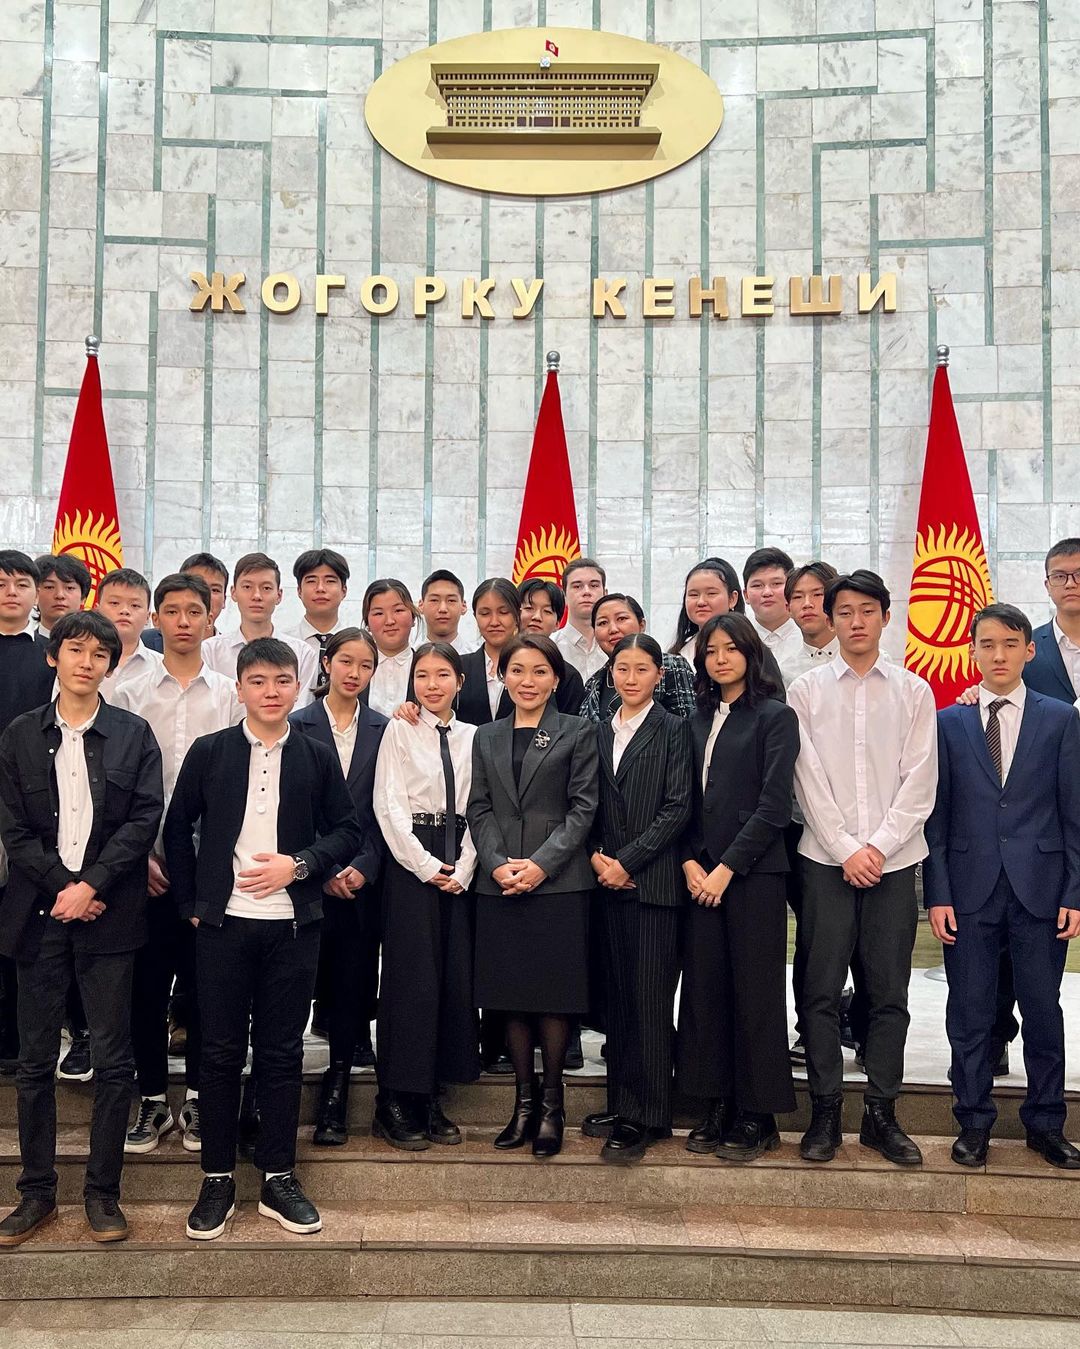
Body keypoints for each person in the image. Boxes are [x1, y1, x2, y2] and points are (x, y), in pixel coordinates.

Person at [163, 638, 360, 1241]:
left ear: (298, 687)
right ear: (240, 688)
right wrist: (193, 905)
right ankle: (217, 1178)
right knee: (219, 1053)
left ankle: (278, 1176)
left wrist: (298, 866)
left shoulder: (316, 754)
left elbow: (347, 830)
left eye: (281, 681)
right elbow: (177, 828)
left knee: (281, 1053)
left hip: (293, 927)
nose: (271, 692)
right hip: (223, 926)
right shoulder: (212, 750)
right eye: (258, 681)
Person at [0, 610, 163, 1246]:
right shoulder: (19, 735)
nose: (86, 662)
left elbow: (143, 819)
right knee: (36, 1061)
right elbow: (14, 828)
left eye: (99, 654)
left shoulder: (133, 734)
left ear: (111, 665)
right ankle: (36, 1192)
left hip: (110, 910)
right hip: (38, 915)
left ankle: (102, 1194)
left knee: (114, 1061)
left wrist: (91, 885)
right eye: (75, 650)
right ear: (54, 657)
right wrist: (63, 888)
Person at [788, 570, 937, 1167]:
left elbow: (920, 780)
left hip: (894, 864)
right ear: (830, 619)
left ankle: (881, 1113)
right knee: (819, 990)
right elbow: (806, 777)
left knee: (888, 992)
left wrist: (876, 847)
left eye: (867, 611)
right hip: (824, 861)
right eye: (844, 611)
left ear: (885, 617)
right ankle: (825, 1112)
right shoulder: (805, 690)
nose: (855, 621)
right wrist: (846, 847)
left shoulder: (913, 691)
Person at [926, 603, 1080, 1170]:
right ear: (972, 651)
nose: (999, 655)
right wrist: (937, 893)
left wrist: (1075, 892)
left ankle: (1046, 1123)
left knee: (1043, 1010)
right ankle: (973, 1122)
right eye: (987, 644)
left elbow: (1074, 813)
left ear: (1029, 651)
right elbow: (937, 818)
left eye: (1011, 644)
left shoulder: (1059, 718)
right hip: (969, 890)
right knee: (969, 1012)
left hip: (1041, 888)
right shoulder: (949, 722)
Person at [112, 573, 243, 1156]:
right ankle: (151, 1098)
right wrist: (136, 854)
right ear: (155, 619)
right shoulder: (129, 692)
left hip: (211, 865)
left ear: (211, 618)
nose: (184, 621)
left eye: (194, 610)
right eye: (172, 610)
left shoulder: (231, 694)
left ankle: (196, 1098)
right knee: (145, 987)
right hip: (142, 864)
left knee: (206, 988)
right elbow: (113, 784)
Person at [468, 634, 599, 1159]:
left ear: (556, 678)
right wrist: (497, 863)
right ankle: (522, 1105)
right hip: (499, 881)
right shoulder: (486, 735)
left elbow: (583, 809)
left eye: (540, 671)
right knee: (512, 996)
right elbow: (479, 807)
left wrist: (541, 865)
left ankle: (552, 1106)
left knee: (553, 996)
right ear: (503, 676)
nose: (528, 681)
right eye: (517, 670)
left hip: (559, 883)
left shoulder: (578, 731)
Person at [676, 614, 799, 1161]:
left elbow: (774, 806)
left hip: (752, 876)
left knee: (755, 993)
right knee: (705, 993)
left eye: (731, 648)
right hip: (699, 875)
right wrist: (689, 862)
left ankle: (757, 1113)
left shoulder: (775, 716)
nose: (720, 658)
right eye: (711, 651)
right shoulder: (695, 720)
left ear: (751, 654)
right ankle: (715, 1103)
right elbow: (682, 801)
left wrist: (726, 868)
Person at [582, 634, 692, 1163]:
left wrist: (627, 862)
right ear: (610, 675)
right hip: (606, 883)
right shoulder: (598, 731)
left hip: (653, 886)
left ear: (659, 675)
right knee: (619, 1002)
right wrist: (597, 858)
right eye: (621, 668)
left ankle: (648, 1115)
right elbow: (586, 803)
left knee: (649, 1003)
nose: (630, 677)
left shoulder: (674, 730)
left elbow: (677, 807)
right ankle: (621, 1102)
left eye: (641, 668)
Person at [371, 642, 479, 1150]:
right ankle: (395, 1100)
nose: (431, 684)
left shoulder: (475, 736)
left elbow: (481, 807)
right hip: (412, 860)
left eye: (442, 674)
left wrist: (466, 866)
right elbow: (388, 805)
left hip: (461, 858)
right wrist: (426, 865)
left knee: (451, 981)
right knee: (410, 982)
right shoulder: (400, 729)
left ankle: (432, 1094)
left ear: (460, 681)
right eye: (422, 675)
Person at [289, 627, 387, 1144]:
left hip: (362, 880)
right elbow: (290, 809)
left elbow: (387, 809)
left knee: (353, 985)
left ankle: (338, 1090)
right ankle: (272, 1090)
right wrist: (322, 868)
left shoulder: (385, 728)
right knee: (293, 986)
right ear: (326, 664)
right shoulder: (295, 723)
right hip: (307, 878)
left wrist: (365, 866)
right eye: (345, 661)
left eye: (365, 665)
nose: (354, 673)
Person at [0, 552, 56, 1071]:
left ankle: (18, 1041)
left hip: (32, 805)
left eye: (22, 583)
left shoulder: (51, 657)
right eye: (2, 584)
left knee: (20, 918)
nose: (12, 592)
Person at [457, 579, 585, 727]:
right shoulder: (458, 667)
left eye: (503, 612)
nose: (494, 622)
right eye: (485, 613)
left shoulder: (566, 675)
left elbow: (569, 730)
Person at [202, 553, 318, 709]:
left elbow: (300, 709)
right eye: (247, 587)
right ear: (234, 593)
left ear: (279, 595)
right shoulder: (210, 651)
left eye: (266, 588)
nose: (256, 596)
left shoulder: (302, 653)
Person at [668, 559, 785, 690]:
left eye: (711, 593)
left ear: (732, 598)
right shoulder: (676, 657)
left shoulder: (754, 649)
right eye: (693, 594)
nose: (701, 602)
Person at [580, 594, 695, 722]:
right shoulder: (593, 682)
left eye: (621, 618)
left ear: (642, 625)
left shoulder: (671, 665)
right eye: (603, 623)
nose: (613, 629)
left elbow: (686, 724)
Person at [1024, 538, 1080, 702]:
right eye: (1059, 576)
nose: (1070, 584)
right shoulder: (1025, 646)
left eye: (1079, 575)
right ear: (1047, 585)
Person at [96, 568, 164, 698]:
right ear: (97, 610)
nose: (124, 611)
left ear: (147, 616)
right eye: (114, 603)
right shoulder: (81, 663)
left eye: (135, 605)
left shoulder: (163, 667)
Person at [779, 562, 840, 688]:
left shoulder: (862, 658)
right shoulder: (785, 671)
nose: (807, 604)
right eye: (798, 597)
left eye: (817, 594)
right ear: (788, 608)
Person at [363, 579, 418, 717]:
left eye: (398, 610)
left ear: (413, 618)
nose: (390, 621)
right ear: (367, 623)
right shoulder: (355, 669)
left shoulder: (426, 666)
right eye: (378, 613)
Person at [290, 548, 350, 673]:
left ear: (344, 590)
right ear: (299, 591)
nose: (320, 588)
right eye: (311, 581)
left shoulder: (357, 644)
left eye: (330, 581)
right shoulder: (283, 643)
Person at [743, 547, 803, 669]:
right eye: (757, 585)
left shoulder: (808, 635)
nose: (767, 592)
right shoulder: (738, 638)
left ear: (792, 588)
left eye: (776, 584)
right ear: (746, 595)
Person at [552, 558, 607, 680]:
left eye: (594, 585)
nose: (586, 592)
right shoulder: (550, 647)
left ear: (605, 594)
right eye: (577, 586)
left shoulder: (615, 646)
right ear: (564, 596)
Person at [34, 554, 91, 638]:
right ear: (35, 595)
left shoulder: (99, 644)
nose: (60, 595)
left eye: (69, 588)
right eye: (49, 587)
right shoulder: (20, 644)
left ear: (83, 597)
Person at [418, 569, 475, 653]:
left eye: (451, 600)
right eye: (434, 600)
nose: (443, 609)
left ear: (463, 606)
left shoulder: (479, 657)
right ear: (421, 605)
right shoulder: (412, 657)